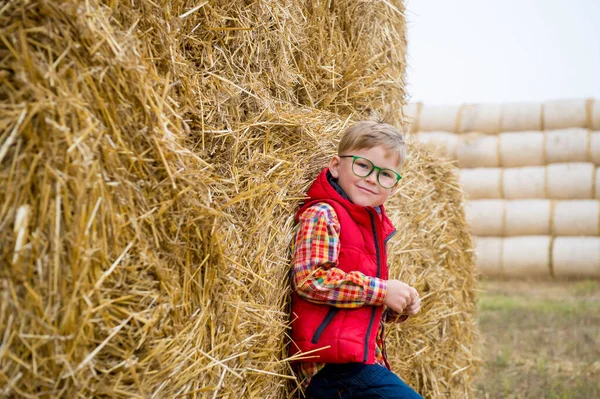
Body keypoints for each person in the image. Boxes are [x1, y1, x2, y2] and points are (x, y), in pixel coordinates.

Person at [289, 120, 423, 398]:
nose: (373, 178)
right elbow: (312, 280)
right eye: (363, 166)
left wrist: (395, 305)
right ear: (336, 166)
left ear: (394, 188)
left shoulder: (373, 229)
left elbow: (357, 306)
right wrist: (382, 290)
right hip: (332, 365)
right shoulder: (324, 214)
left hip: (357, 362)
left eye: (386, 175)